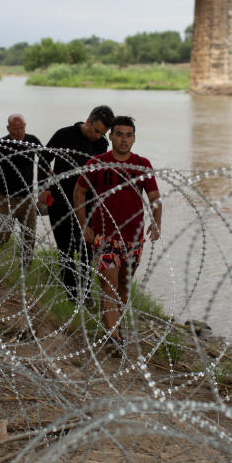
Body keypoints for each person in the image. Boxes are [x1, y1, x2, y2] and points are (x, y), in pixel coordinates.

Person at [73, 116, 161, 351]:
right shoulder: (98, 162)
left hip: (133, 237)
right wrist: (84, 224)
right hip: (105, 237)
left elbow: (154, 197)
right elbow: (79, 193)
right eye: (119, 134)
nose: (124, 139)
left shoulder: (142, 164)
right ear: (110, 136)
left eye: (128, 135)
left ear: (134, 138)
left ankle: (117, 330)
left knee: (123, 285)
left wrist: (156, 220)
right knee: (109, 285)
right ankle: (113, 337)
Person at [38, 105, 115, 304]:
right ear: (88, 121)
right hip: (60, 202)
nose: (99, 136)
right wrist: (44, 187)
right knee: (66, 249)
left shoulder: (101, 144)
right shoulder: (63, 135)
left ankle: (86, 293)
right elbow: (43, 161)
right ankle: (71, 296)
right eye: (97, 130)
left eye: (103, 133)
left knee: (87, 250)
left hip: (87, 205)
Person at [0, 113, 45, 268]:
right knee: (3, 236)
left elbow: (45, 159)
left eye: (22, 127)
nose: (20, 132)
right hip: (6, 198)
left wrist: (46, 179)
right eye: (16, 129)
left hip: (27, 198)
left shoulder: (32, 141)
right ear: (8, 128)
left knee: (29, 236)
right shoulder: (2, 144)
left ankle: (25, 268)